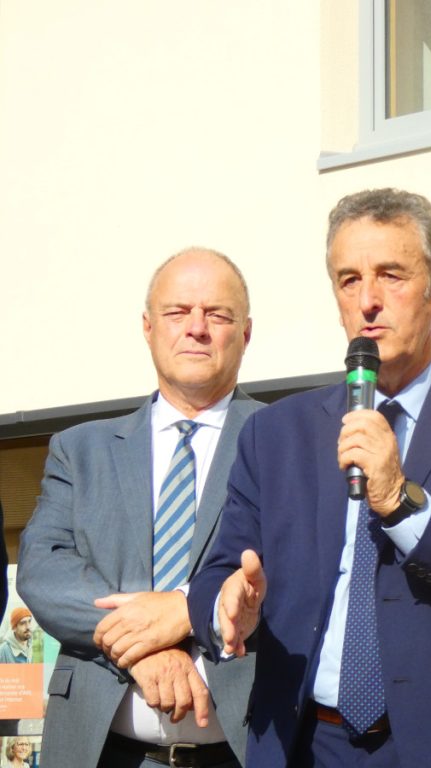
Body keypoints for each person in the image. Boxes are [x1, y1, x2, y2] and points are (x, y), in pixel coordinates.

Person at [185, 188, 431, 767]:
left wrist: (401, 504)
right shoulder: (275, 433)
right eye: (349, 280)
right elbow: (219, 573)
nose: (368, 301)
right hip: (309, 743)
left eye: (391, 275)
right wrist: (227, 607)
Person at [17, 248, 262, 768]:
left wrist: (185, 609)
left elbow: (309, 568)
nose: (196, 328)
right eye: (177, 312)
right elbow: (43, 570)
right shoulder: (79, 450)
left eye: (217, 314)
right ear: (148, 328)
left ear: (245, 333)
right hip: (102, 752)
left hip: (243, 751)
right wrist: (144, 644)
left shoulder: (287, 441)